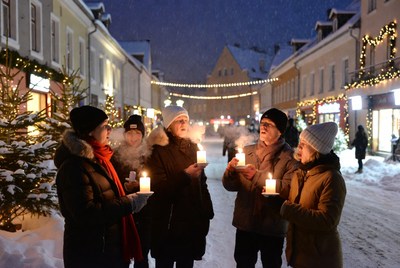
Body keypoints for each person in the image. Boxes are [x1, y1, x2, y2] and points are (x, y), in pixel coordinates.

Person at [54, 106, 149, 268]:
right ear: (91, 131)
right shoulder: (74, 167)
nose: (109, 130)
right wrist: (128, 203)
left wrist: (126, 192)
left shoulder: (100, 158)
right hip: (91, 255)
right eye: (105, 126)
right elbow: (87, 214)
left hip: (108, 251)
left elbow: (105, 194)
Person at [222, 108, 298, 268]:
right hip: (246, 224)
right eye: (263, 123)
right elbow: (230, 186)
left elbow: (288, 188)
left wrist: (256, 176)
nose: (263, 127)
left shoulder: (290, 157)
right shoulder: (247, 151)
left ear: (280, 131)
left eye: (269, 124)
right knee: (243, 264)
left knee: (271, 264)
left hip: (272, 226)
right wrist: (230, 173)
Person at [145, 105, 214, 268]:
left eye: (186, 120)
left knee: (186, 262)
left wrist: (206, 209)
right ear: (169, 124)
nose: (184, 124)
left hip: (190, 222)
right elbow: (157, 189)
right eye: (179, 121)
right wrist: (185, 176)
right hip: (168, 224)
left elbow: (202, 183)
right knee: (165, 262)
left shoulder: (193, 147)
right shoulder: (158, 151)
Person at [280, 122, 346, 268]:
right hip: (300, 255)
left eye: (304, 144)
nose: (299, 147)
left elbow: (327, 221)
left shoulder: (331, 178)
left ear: (317, 149)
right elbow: (293, 200)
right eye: (300, 143)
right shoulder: (301, 173)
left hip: (320, 259)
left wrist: (289, 210)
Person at [111, 114, 152, 268]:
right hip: (123, 214)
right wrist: (124, 186)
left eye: (137, 133)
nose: (133, 137)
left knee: (142, 257)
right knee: (122, 257)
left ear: (143, 134)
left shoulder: (150, 155)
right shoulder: (116, 155)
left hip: (145, 215)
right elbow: (111, 181)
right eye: (129, 133)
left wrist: (141, 187)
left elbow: (157, 181)